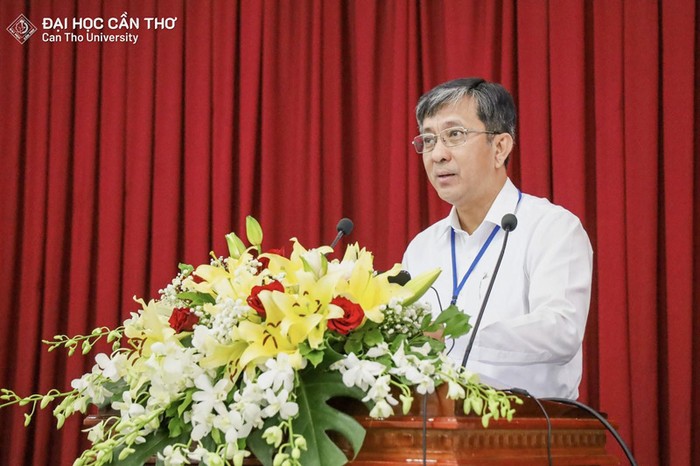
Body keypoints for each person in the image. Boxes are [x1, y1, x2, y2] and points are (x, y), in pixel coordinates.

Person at [402, 78, 593, 399]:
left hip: (532, 422)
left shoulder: (551, 228)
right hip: (434, 422)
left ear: (500, 147)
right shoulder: (422, 247)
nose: (438, 154)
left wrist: (453, 334)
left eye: (454, 135)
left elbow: (561, 331)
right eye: (429, 139)